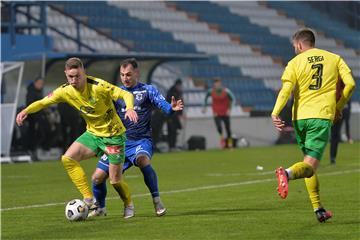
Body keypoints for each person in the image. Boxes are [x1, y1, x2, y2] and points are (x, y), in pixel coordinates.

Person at [16, 57, 138, 219]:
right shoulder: (65, 90)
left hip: (113, 136)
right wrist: (26, 111)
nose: (74, 80)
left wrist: (130, 108)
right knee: (68, 159)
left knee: (115, 181)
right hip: (93, 135)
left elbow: (124, 94)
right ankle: (89, 199)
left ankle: (128, 204)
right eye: (70, 77)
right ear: (66, 74)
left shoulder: (98, 86)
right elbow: (43, 102)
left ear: (84, 73)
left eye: (77, 76)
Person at [271, 28, 355, 222]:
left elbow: (286, 90)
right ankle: (287, 173)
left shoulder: (294, 63)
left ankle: (318, 209)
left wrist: (275, 112)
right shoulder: (334, 58)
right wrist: (338, 107)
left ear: (300, 45)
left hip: (299, 118)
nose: (295, 50)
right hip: (320, 116)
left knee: (308, 163)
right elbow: (350, 84)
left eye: (294, 47)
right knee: (309, 165)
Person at [90, 58, 184, 217]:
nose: (125, 78)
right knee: (97, 178)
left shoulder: (148, 90)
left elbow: (165, 107)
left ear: (137, 73)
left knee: (143, 160)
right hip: (119, 142)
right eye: (122, 75)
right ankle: (100, 208)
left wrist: (172, 109)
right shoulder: (116, 93)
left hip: (141, 140)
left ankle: (156, 200)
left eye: (128, 74)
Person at [203, 78, 235, 148]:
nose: (216, 84)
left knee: (228, 129)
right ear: (214, 84)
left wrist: (229, 110)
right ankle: (222, 139)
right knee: (219, 127)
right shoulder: (211, 91)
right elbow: (205, 98)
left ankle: (230, 143)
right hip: (216, 112)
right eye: (215, 83)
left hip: (225, 112)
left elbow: (233, 99)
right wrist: (204, 107)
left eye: (218, 83)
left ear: (220, 83)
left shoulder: (226, 91)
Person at [25, 77, 51, 159]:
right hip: (33, 118)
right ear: (35, 83)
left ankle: (37, 150)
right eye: (39, 83)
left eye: (42, 84)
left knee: (43, 132)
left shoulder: (38, 92)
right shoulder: (31, 92)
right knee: (36, 134)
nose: (41, 85)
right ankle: (32, 151)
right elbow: (30, 105)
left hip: (38, 117)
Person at [166, 79, 183, 151]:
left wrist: (181, 113)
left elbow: (181, 103)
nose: (180, 87)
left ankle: (173, 145)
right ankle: (171, 146)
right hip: (170, 114)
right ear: (177, 85)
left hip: (175, 115)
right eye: (179, 86)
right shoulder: (171, 93)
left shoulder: (179, 93)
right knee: (171, 130)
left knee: (175, 130)